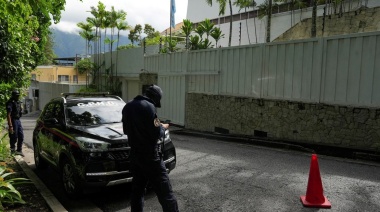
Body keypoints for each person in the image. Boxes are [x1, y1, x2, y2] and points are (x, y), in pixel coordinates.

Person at [122, 84, 179, 212]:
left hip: (135, 157)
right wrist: (163, 127)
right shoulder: (149, 106)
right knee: (166, 193)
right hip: (151, 158)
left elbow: (126, 130)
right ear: (156, 97)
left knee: (137, 192)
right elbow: (156, 132)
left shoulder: (127, 106)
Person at [6, 89, 24, 156]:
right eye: (16, 95)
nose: (17, 97)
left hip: (18, 120)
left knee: (21, 136)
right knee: (14, 136)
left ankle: (19, 150)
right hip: (13, 120)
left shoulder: (18, 102)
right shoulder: (10, 103)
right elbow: (8, 114)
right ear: (13, 96)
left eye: (18, 95)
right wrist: (10, 126)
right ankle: (12, 150)